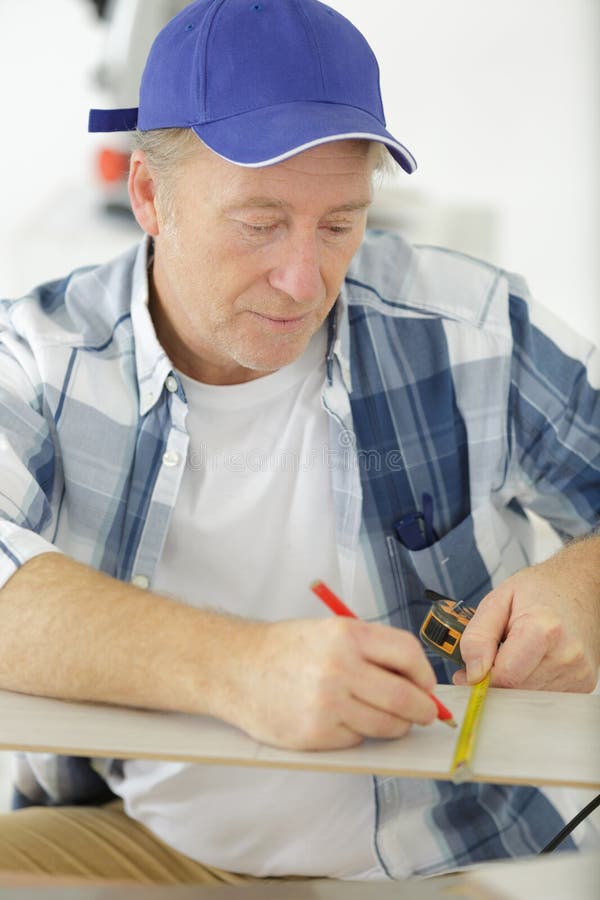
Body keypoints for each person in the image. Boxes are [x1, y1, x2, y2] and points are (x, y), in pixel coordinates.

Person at [0, 0, 598, 886]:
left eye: (339, 223)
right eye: (259, 222)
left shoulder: (473, 327)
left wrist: (579, 585)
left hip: (453, 857)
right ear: (149, 196)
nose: (303, 278)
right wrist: (244, 669)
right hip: (158, 848)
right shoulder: (40, 361)